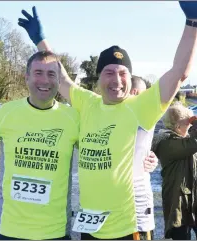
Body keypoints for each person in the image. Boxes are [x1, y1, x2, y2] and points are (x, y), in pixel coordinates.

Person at [18, 1, 197, 239]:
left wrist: (192, 23)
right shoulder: (89, 102)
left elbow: (178, 73)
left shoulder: (141, 107)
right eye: (109, 72)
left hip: (128, 227)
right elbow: (61, 79)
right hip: (90, 225)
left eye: (123, 73)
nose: (117, 79)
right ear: (98, 77)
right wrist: (41, 41)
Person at [0, 51, 79, 240]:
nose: (45, 80)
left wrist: (144, 157)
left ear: (58, 81)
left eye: (51, 74)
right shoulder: (5, 113)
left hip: (55, 233)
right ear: (27, 77)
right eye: (38, 72)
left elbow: (102, 151)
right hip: (10, 232)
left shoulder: (73, 118)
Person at [151, 103, 197, 240]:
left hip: (192, 196)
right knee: (181, 234)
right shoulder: (167, 143)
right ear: (177, 127)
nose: (190, 125)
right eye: (188, 123)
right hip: (177, 200)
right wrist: (195, 121)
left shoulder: (183, 140)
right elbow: (193, 143)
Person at [130, 76, 157, 240]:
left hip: (139, 207)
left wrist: (152, 159)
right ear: (136, 92)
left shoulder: (146, 117)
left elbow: (144, 149)